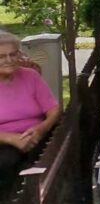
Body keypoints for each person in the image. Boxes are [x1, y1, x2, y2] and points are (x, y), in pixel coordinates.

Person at [0, 30, 61, 193]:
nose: (9, 60)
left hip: (37, 135)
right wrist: (12, 139)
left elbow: (54, 109)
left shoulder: (30, 76)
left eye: (13, 54)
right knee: (7, 162)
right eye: (1, 56)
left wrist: (41, 129)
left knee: (53, 154)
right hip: (4, 143)